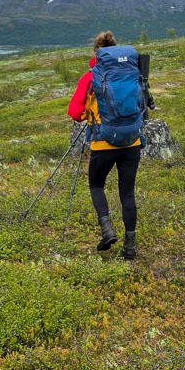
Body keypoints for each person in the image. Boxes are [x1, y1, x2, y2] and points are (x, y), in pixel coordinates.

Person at [67, 30, 142, 260]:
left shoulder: (90, 77)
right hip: (132, 141)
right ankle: (130, 246)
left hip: (103, 143)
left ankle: (107, 230)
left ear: (97, 52)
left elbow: (74, 113)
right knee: (127, 193)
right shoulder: (132, 72)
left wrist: (90, 114)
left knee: (96, 185)